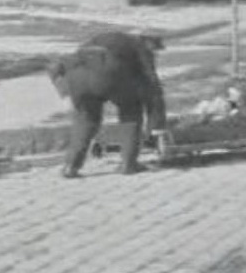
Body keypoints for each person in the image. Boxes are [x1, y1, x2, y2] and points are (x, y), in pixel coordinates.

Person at [47, 31, 168, 178]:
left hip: (77, 77)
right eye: (155, 49)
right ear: (148, 42)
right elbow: (152, 84)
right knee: (131, 110)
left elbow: (58, 67)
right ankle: (128, 164)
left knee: (86, 120)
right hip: (109, 70)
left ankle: (70, 166)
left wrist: (65, 92)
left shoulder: (99, 40)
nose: (155, 53)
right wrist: (157, 124)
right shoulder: (140, 47)